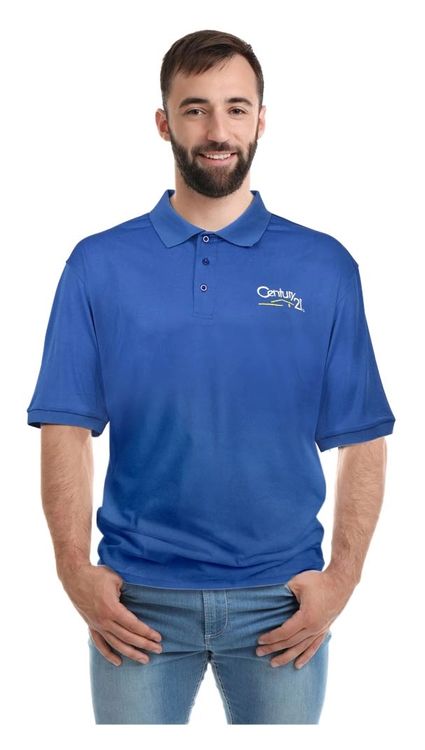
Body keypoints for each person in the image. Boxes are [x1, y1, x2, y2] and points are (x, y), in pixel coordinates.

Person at [26, 29, 396, 724]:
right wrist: (73, 569)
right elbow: (64, 427)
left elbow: (363, 435)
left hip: (282, 605)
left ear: (261, 120)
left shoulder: (324, 267)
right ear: (163, 122)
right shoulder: (97, 265)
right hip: (135, 603)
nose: (217, 130)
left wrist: (342, 580)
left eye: (235, 107)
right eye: (195, 109)